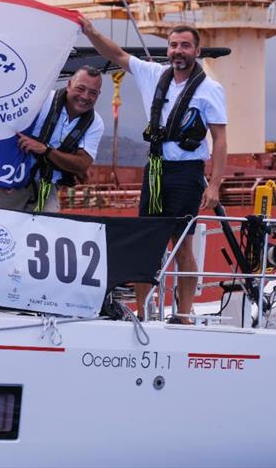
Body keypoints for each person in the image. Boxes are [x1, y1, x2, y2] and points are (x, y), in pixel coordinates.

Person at [80, 18, 227, 322]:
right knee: (147, 241)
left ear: (197, 50)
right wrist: (91, 32)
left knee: (182, 243)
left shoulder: (210, 89)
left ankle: (184, 314)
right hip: (156, 170)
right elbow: (117, 55)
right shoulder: (152, 74)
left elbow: (220, 140)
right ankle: (144, 312)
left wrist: (213, 185)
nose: (178, 51)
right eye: (174, 45)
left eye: (185, 45)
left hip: (187, 172)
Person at [0, 66, 105, 213]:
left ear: (99, 94)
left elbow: (81, 165)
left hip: (47, 186)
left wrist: (45, 150)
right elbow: (4, 132)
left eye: (93, 93)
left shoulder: (95, 123)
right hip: (10, 177)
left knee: (46, 229)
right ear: (69, 84)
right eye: (80, 88)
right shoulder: (41, 100)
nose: (85, 96)